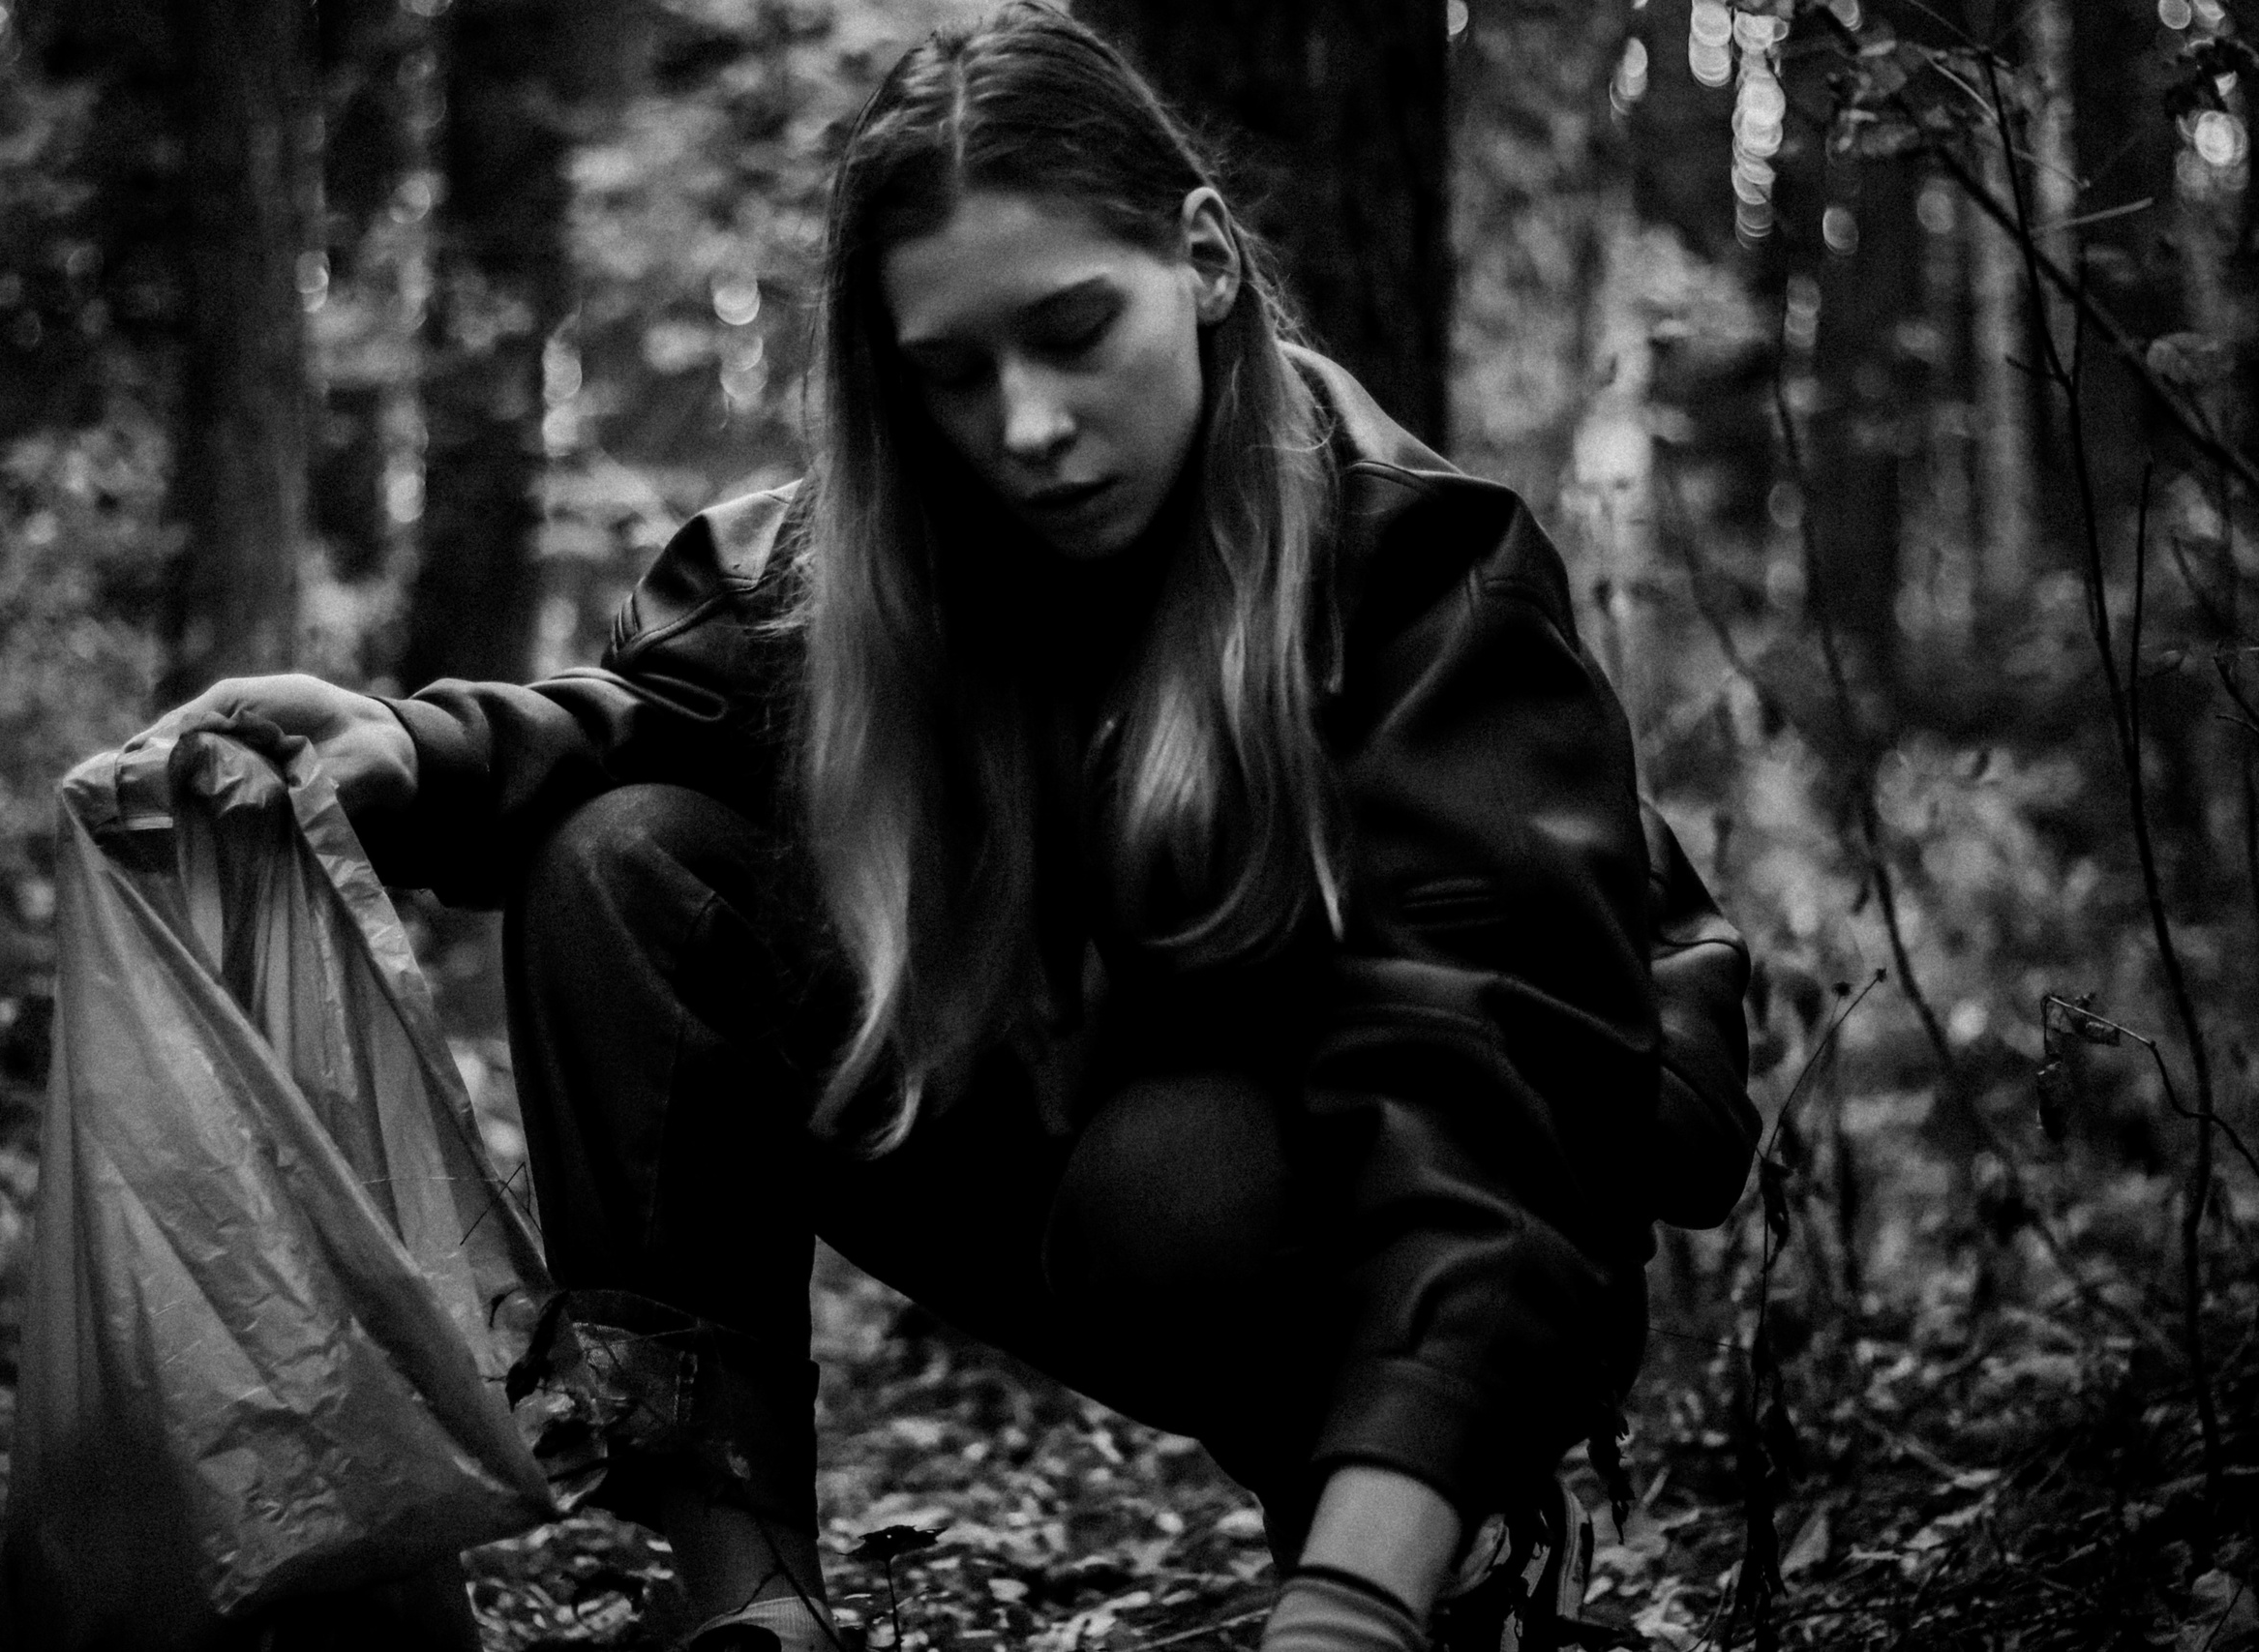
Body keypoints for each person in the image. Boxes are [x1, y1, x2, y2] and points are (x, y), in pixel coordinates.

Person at [137, 8, 1753, 1650]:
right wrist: (400, 752)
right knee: (623, 862)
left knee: (1175, 1180)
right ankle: (753, 1615)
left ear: (1202, 262)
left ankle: (1425, 1548)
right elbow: (647, 723)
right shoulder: (876, 556)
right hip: (1066, 1144)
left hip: (1389, 1217)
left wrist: (1353, 1600)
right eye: (954, 376)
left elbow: (1500, 1108)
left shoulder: (1421, 575)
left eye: (1073, 332)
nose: (1027, 427)